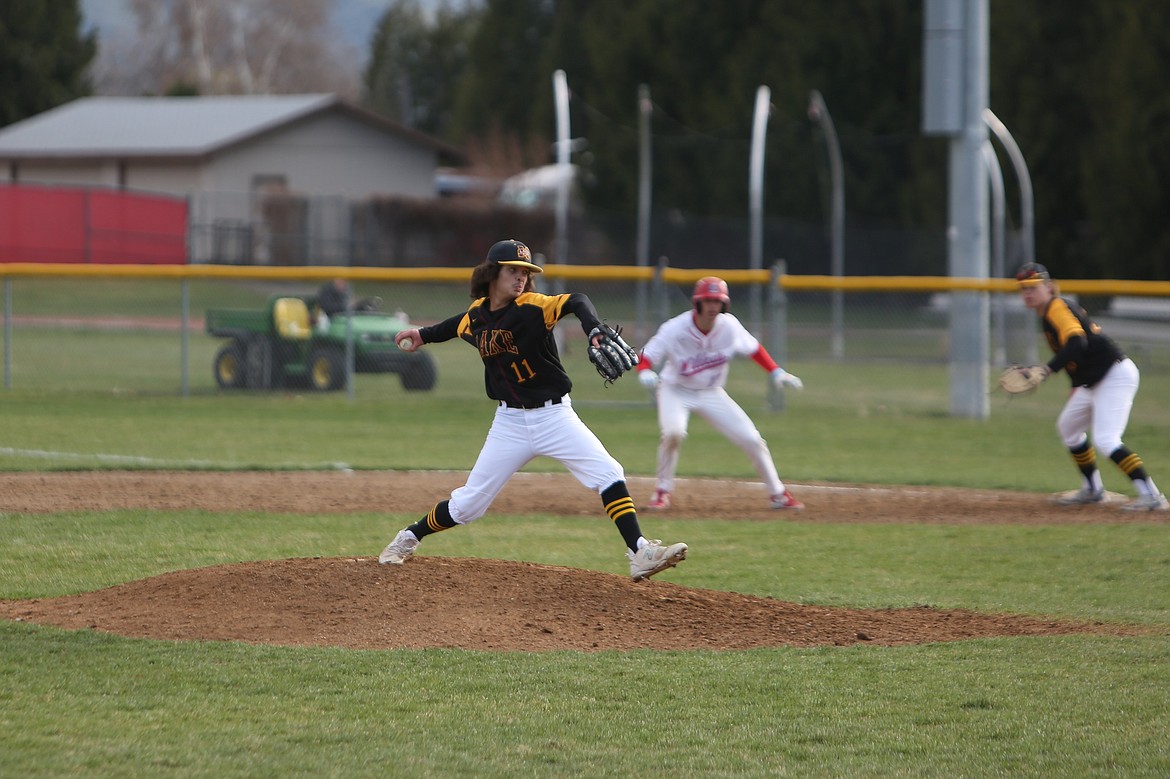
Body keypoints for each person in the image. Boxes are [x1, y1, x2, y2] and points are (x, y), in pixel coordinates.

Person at [379, 239, 688, 581]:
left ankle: (639, 552)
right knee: (468, 505)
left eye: (525, 272)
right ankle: (408, 537)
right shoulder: (477, 317)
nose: (521, 278)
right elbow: (455, 325)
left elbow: (576, 300)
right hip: (509, 423)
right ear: (493, 274)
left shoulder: (532, 308)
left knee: (608, 472)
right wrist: (422, 335)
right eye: (513, 270)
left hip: (555, 416)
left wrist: (592, 327)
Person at [635, 276, 804, 511]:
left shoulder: (729, 326)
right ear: (698, 303)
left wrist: (775, 372)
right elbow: (647, 355)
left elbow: (754, 349)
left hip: (711, 392)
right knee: (673, 433)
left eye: (718, 301)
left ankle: (778, 494)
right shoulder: (676, 328)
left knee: (752, 439)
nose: (714, 306)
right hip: (675, 389)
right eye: (709, 300)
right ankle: (662, 491)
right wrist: (643, 371)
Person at [1015, 261, 1168, 511]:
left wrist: (1046, 370)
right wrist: (1074, 384)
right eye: (1023, 288)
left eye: (1033, 286)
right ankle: (1093, 490)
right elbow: (1076, 355)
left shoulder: (1056, 306)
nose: (1028, 293)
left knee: (1107, 439)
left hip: (1114, 374)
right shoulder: (1048, 313)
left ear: (1049, 287)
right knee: (1068, 427)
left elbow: (1077, 343)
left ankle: (1151, 495)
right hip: (1094, 379)